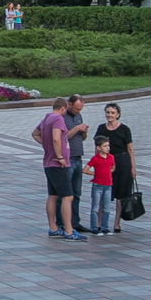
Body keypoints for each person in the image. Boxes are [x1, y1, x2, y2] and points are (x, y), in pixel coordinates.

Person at [35, 98, 83, 240]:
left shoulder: (46, 118)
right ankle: (69, 230)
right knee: (68, 196)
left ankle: (53, 228)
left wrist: (46, 145)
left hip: (48, 163)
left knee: (53, 195)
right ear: (63, 108)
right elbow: (57, 138)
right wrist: (59, 155)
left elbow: (35, 133)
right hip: (57, 164)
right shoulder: (58, 119)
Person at [96, 103, 137, 233]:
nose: (110, 115)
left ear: (118, 114)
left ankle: (116, 223)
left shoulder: (124, 129)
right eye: (108, 112)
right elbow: (96, 148)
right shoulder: (101, 128)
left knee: (121, 193)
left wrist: (133, 167)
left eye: (113, 113)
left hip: (122, 162)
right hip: (106, 161)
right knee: (104, 192)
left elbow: (130, 148)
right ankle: (100, 223)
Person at [54, 95, 89, 233]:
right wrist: (77, 128)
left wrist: (83, 131)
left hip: (78, 157)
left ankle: (75, 221)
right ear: (69, 104)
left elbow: (81, 137)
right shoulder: (61, 117)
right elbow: (64, 136)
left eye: (80, 109)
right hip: (68, 159)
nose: (77, 112)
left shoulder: (78, 117)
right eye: (76, 108)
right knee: (64, 194)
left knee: (76, 192)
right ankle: (61, 222)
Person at [83, 136, 115, 234]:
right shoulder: (95, 158)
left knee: (107, 208)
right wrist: (95, 174)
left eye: (108, 146)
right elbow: (85, 169)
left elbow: (113, 167)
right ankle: (94, 227)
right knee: (95, 208)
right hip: (97, 185)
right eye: (105, 146)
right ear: (98, 148)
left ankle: (105, 227)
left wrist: (108, 172)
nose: (107, 148)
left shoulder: (111, 157)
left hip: (108, 185)